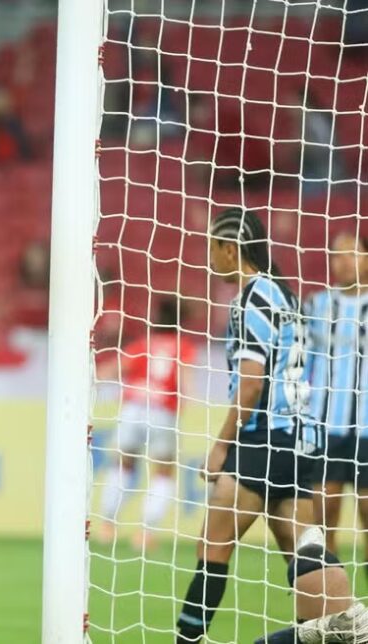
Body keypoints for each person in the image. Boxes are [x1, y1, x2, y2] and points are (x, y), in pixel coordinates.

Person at [174, 208, 357, 643]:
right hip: (300, 439)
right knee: (304, 546)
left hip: (263, 439)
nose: (209, 259)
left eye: (211, 249)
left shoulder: (251, 298)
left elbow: (252, 384)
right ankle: (346, 622)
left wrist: (221, 445)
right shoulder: (285, 297)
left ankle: (186, 640)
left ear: (229, 248)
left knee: (213, 545)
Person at [95, 297, 197, 549]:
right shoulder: (182, 346)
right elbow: (185, 385)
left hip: (133, 407)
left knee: (123, 465)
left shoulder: (143, 344)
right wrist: (185, 404)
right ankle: (145, 533)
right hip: (162, 410)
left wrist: (94, 376)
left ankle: (107, 526)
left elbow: (114, 369)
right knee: (164, 471)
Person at [305, 233, 368, 561]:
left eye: (352, 253)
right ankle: (333, 604)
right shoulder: (316, 305)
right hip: (325, 428)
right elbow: (302, 366)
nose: (343, 261)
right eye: (337, 255)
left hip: (367, 432)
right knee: (322, 522)